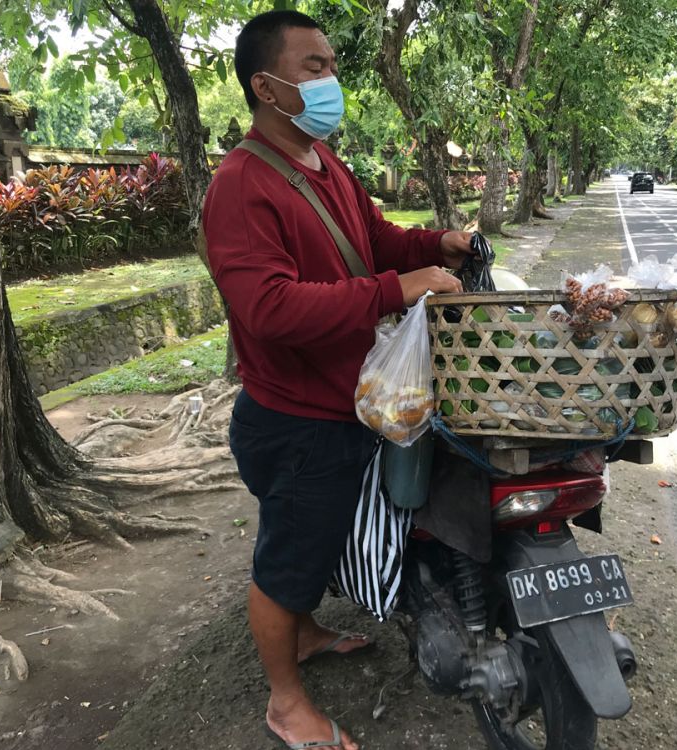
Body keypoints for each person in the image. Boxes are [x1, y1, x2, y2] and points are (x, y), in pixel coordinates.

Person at [202, 10, 473, 750]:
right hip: (295, 419)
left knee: (309, 540)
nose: (332, 80)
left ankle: (309, 631)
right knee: (287, 560)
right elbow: (267, 309)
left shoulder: (326, 164)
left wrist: (433, 243)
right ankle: (286, 704)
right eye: (314, 67)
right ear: (267, 85)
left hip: (345, 401)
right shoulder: (240, 184)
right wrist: (394, 289)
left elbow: (374, 240)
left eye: (331, 64)